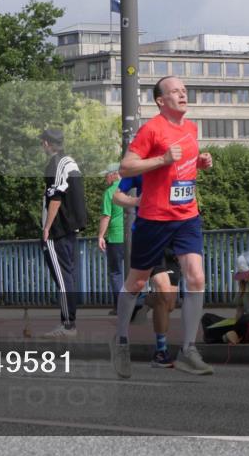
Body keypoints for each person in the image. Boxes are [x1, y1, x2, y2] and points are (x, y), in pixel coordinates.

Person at [110, 76, 215, 378]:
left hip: (186, 216)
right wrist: (162, 158)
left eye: (184, 91)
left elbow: (181, 167)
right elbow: (126, 166)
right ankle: (121, 341)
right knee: (137, 283)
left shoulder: (191, 128)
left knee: (196, 277)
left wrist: (200, 163)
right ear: (160, 100)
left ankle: (188, 350)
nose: (183, 95)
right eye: (176, 92)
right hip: (154, 219)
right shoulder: (152, 129)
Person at [39, 128, 86, 338]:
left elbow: (55, 198)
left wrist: (47, 227)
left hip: (58, 229)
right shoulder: (70, 162)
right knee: (68, 275)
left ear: (48, 144)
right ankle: (68, 322)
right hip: (70, 228)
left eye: (43, 143)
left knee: (62, 277)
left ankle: (68, 324)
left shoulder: (56, 164)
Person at [145, 247, 182, 367]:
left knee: (169, 305)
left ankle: (140, 300)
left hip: (173, 251)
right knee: (164, 297)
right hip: (155, 245)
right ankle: (160, 352)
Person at [97, 167, 126, 315]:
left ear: (114, 175)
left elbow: (106, 216)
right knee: (135, 271)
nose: (105, 179)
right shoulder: (130, 189)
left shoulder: (109, 192)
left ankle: (120, 306)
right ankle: (136, 303)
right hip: (132, 237)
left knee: (116, 273)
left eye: (106, 176)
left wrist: (101, 235)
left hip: (115, 238)